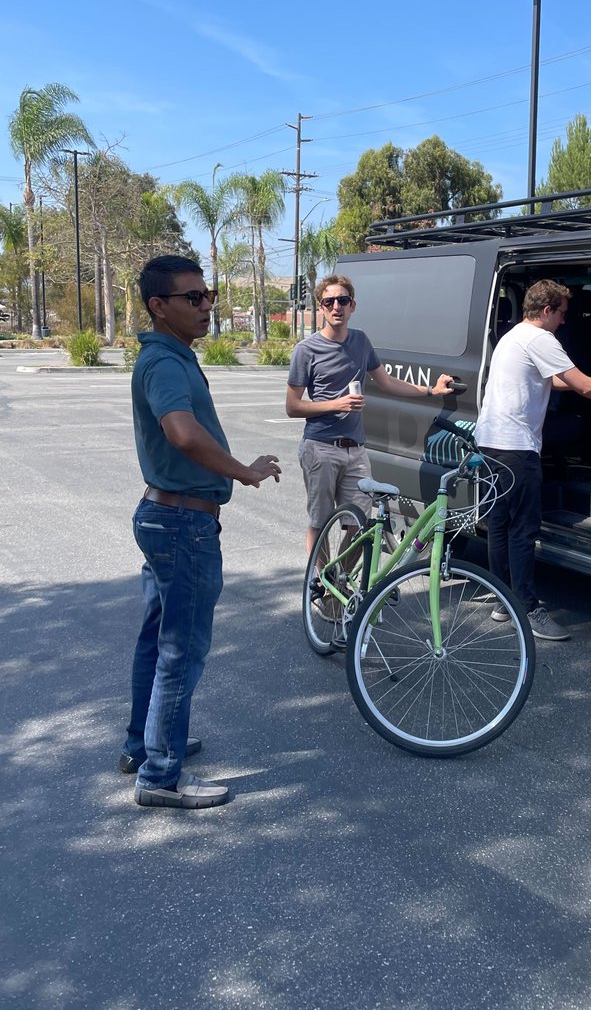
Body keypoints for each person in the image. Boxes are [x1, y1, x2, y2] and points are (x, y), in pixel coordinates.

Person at [122, 255, 282, 810]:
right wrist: (244, 471)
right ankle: (160, 776)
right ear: (158, 307)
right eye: (193, 298)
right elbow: (183, 433)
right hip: (183, 522)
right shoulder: (164, 362)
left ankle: (143, 747)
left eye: (207, 294)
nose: (206, 305)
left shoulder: (170, 355)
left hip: (167, 515)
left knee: (158, 639)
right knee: (180, 650)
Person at [475, 279, 591, 642]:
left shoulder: (514, 336)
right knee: (523, 531)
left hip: (490, 443)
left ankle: (500, 599)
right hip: (516, 449)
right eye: (562, 314)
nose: (564, 321)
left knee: (499, 525)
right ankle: (526, 607)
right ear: (547, 311)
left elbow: (552, 382)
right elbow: (584, 388)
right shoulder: (541, 338)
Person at [286, 274, 456, 560]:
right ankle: (318, 583)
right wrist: (336, 404)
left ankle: (337, 585)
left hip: (356, 450)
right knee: (320, 522)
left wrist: (431, 390)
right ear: (321, 307)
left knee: (361, 525)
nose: (336, 306)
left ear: (353, 305)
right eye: (329, 302)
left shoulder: (361, 341)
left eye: (342, 300)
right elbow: (292, 406)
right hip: (320, 449)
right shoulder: (307, 350)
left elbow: (387, 382)